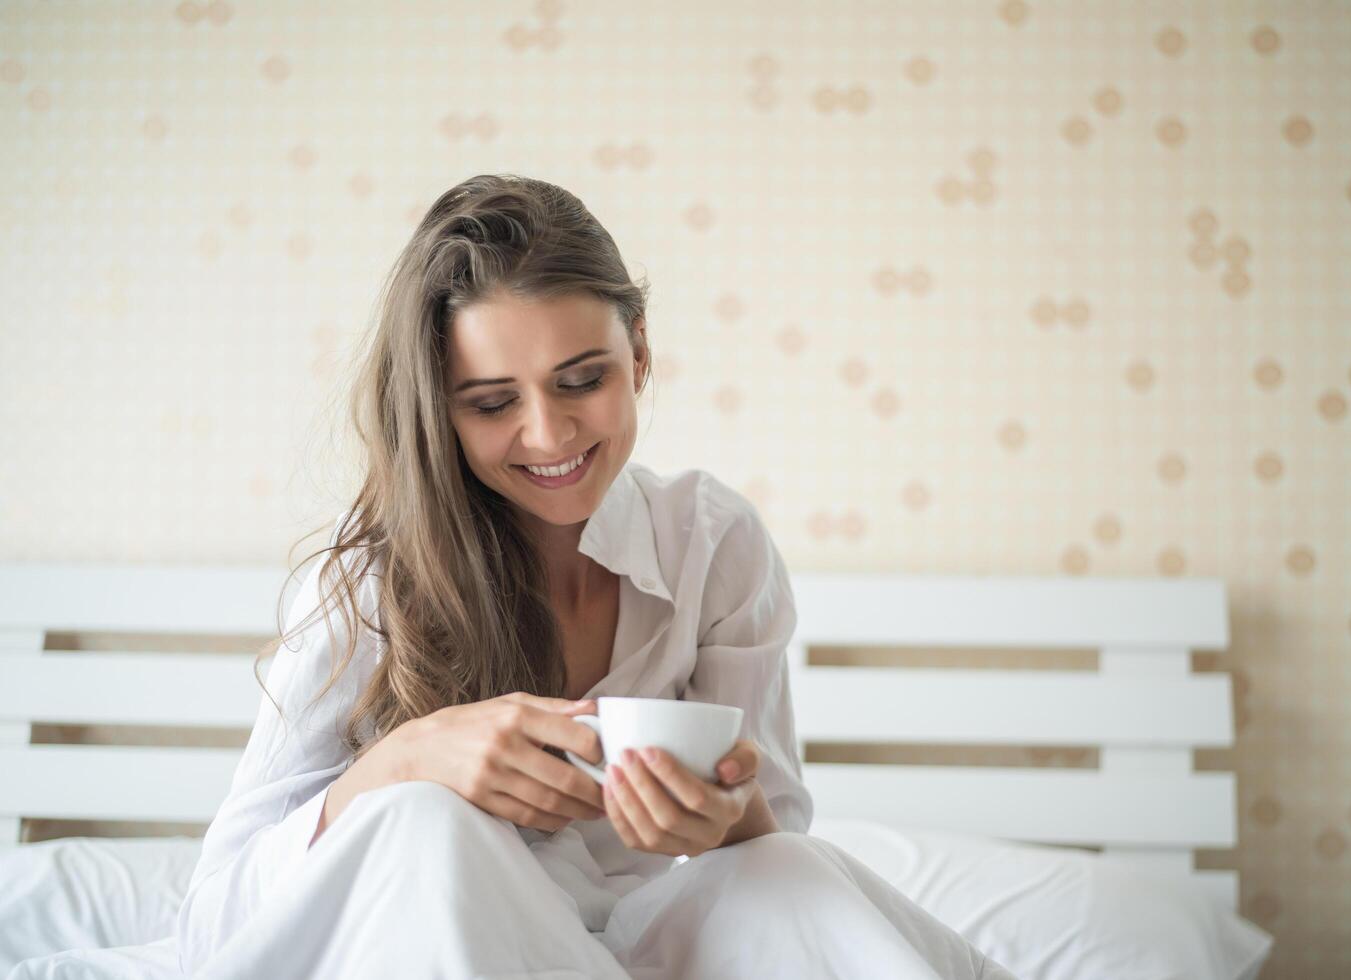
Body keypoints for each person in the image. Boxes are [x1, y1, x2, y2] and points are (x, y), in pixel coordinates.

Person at [169, 174, 1019, 979]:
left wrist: (722, 817)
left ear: (639, 353)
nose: (549, 435)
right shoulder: (373, 582)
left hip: (647, 947)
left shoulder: (710, 544)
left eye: (584, 380)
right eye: (493, 402)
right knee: (424, 821)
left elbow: (764, 844)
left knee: (789, 869)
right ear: (438, 407)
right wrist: (405, 761)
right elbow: (214, 922)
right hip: (450, 933)